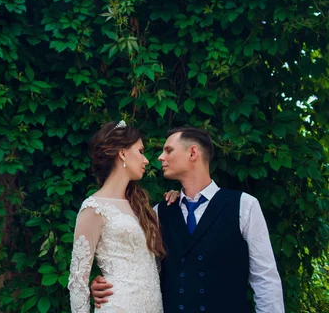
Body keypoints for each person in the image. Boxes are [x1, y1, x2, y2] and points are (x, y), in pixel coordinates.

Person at [90, 127, 285, 313]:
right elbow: (143, 270)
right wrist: (109, 283)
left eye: (168, 150)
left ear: (192, 153)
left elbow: (265, 279)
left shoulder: (245, 206)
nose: (160, 157)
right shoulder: (159, 213)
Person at [68, 120, 179, 313]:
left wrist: (180, 198)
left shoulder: (141, 206)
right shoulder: (94, 208)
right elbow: (78, 279)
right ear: (122, 153)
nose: (146, 160)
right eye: (141, 151)